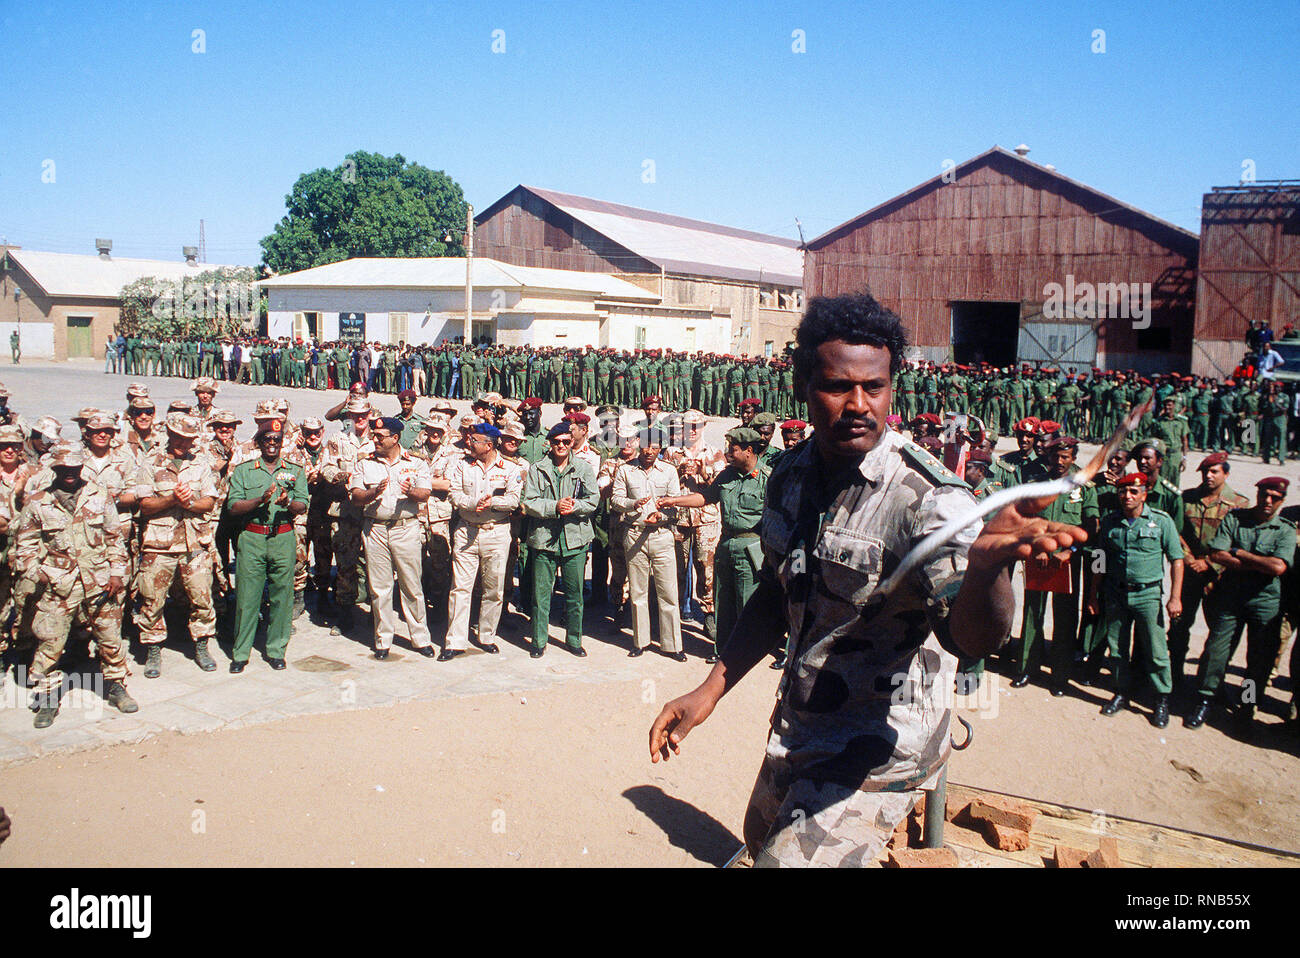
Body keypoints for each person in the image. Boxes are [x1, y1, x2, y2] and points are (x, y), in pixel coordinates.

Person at [648, 292, 1086, 867]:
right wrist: (709, 689)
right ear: (805, 388)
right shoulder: (791, 475)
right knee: (758, 841)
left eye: (873, 387)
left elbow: (972, 638)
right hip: (803, 723)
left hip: (880, 750)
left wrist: (987, 569)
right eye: (838, 386)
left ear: (892, 390)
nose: (858, 404)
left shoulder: (928, 500)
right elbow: (780, 592)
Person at [11, 444, 134, 728]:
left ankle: (116, 685)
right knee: (50, 641)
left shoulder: (99, 495)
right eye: (62, 468)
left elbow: (115, 538)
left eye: (74, 468)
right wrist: (38, 573)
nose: (69, 473)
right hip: (58, 583)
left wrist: (116, 573)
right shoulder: (37, 501)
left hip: (99, 580)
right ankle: (47, 698)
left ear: (81, 468)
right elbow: (25, 545)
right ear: (53, 469)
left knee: (110, 637)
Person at [1186, 477, 1295, 731]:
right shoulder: (1236, 519)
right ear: (1257, 494)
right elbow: (1217, 553)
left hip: (1265, 601)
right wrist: (1259, 563)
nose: (1267, 502)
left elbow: (1278, 567)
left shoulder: (1285, 529)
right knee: (1216, 650)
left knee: (1259, 659)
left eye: (1275, 498)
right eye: (1264, 495)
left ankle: (1247, 707)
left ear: (1282, 501)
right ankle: (1205, 699)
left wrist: (1240, 553)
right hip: (1231, 596)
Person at [659, 426, 769, 665]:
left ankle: (746, 653)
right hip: (726, 543)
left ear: (749, 451)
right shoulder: (727, 475)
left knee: (746, 601)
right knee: (723, 600)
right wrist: (674, 500)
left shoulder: (767, 478)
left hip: (751, 546)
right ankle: (722, 651)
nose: (729, 453)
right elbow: (706, 497)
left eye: (734, 449)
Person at [1087, 472, 1184, 728]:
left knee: (1155, 650)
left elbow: (1177, 559)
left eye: (1133, 492)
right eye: (1122, 491)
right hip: (1116, 594)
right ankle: (1121, 692)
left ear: (1144, 494)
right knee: (1117, 648)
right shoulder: (1110, 522)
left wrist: (1175, 597)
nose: (1127, 497)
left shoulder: (1161, 522)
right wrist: (1093, 595)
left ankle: (1161, 699)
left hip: (1147, 595)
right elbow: (1100, 560)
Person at [132, 414, 220, 678]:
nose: (185, 443)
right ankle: (153, 648)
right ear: (170, 435)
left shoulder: (200, 464)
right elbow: (144, 505)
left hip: (194, 542)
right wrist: (172, 499)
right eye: (180, 437)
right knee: (152, 599)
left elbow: (210, 501)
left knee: (202, 596)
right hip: (160, 544)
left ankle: (202, 644)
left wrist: (188, 503)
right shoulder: (151, 463)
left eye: (190, 439)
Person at [224, 420, 308, 672]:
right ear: (258, 443)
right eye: (267, 439)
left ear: (282, 443)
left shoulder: (295, 470)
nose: (272, 444)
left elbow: (303, 505)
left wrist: (288, 501)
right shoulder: (244, 470)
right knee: (247, 597)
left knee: (282, 596)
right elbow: (233, 506)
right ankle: (240, 653)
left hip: (282, 537)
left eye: (276, 440)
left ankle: (276, 650)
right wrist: (259, 501)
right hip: (252, 538)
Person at [350, 417, 435, 659]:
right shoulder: (365, 463)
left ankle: (420, 638)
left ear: (395, 438)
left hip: (405, 528)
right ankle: (383, 640)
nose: (374, 439)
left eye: (380, 436)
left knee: (412, 586)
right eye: (374, 434)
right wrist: (372, 492)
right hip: (375, 529)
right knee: (380, 588)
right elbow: (356, 496)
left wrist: (411, 492)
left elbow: (425, 493)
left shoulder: (416, 462)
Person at [443, 423, 524, 660]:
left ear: (488, 445)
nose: (468, 442)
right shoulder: (462, 465)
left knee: (493, 588)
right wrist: (472, 503)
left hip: (496, 532)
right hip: (467, 531)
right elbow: (453, 493)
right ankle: (454, 641)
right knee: (460, 588)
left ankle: (486, 636)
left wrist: (492, 504)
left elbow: (513, 499)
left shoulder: (509, 469)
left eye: (474, 440)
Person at [1167, 452, 1248, 688]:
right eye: (1205, 472)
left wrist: (1211, 563)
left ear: (1226, 474)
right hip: (1190, 575)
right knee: (1179, 627)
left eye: (1215, 472)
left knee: (1220, 634)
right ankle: (1174, 676)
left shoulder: (1239, 504)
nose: (1209, 476)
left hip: (1221, 579)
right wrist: (1189, 558)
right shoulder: (1188, 498)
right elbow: (1176, 533)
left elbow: (1240, 544)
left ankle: (1211, 683)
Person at [521, 420, 599, 658]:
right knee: (541, 595)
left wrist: (574, 506)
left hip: (574, 539)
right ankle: (538, 640)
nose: (562, 446)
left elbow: (593, 499)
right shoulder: (538, 468)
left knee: (575, 595)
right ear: (550, 443)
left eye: (566, 441)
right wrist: (555, 506)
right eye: (557, 442)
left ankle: (574, 639)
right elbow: (529, 501)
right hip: (544, 539)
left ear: (572, 442)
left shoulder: (583, 468)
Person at [613, 429, 684, 660]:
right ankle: (640, 641)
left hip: (661, 535)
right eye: (645, 446)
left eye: (655, 447)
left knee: (668, 591)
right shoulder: (625, 470)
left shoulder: (669, 471)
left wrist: (661, 517)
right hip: (634, 534)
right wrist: (633, 504)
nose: (649, 451)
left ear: (661, 449)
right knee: (638, 591)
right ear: (637, 444)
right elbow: (615, 500)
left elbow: (676, 506)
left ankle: (672, 644)